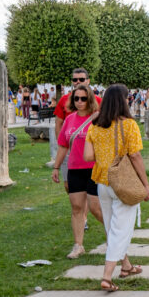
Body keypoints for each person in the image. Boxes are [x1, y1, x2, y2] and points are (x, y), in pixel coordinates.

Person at [83, 84, 149, 291]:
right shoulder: (128, 125)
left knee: (112, 228)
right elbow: (135, 155)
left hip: (103, 182)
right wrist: (146, 184)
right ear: (123, 101)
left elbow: (88, 156)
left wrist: (104, 153)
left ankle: (126, 266)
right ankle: (106, 276)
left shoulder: (95, 125)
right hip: (123, 183)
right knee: (120, 230)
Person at [52, 84, 102, 259]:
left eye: (83, 98)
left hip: (94, 169)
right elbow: (63, 145)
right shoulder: (70, 119)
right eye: (76, 98)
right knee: (77, 207)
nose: (79, 102)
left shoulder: (97, 119)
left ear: (90, 99)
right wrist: (57, 167)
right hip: (74, 169)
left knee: (96, 208)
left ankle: (116, 236)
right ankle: (78, 245)